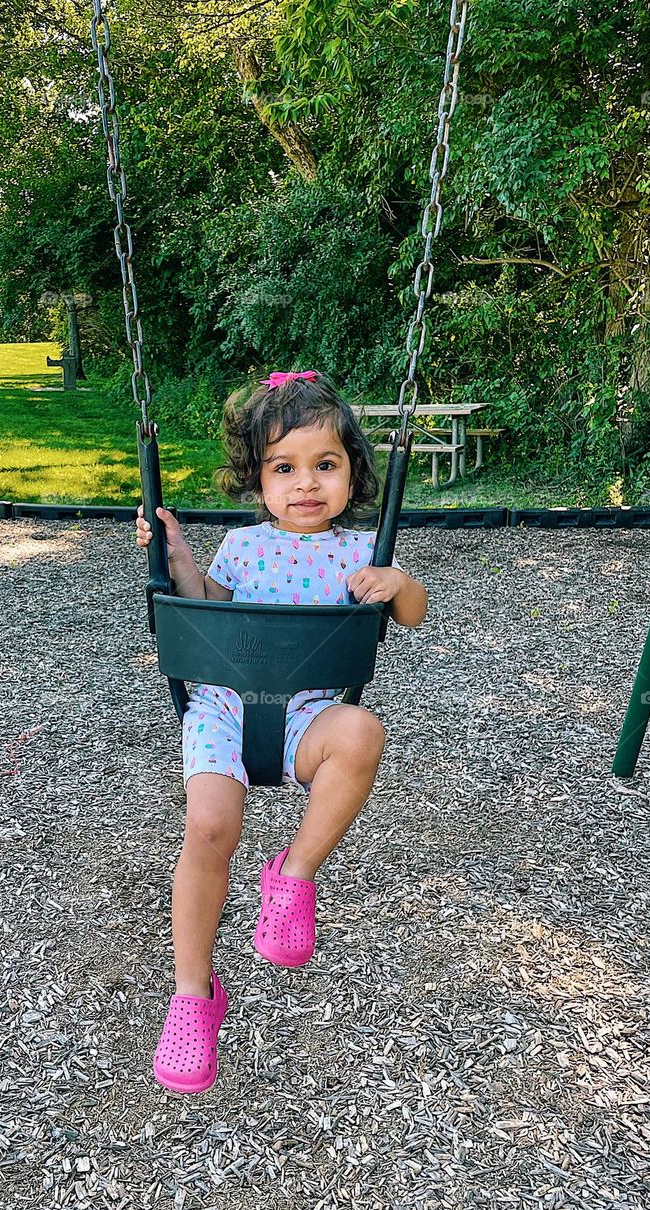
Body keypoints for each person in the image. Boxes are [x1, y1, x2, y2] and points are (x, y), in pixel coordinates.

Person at [135, 369, 428, 1093]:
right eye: (284, 468)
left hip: (307, 715)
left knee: (362, 732)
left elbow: (414, 613)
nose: (305, 484)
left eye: (324, 466)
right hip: (225, 706)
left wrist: (399, 585)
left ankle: (292, 874)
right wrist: (176, 556)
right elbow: (208, 607)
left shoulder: (362, 555)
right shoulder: (241, 548)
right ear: (257, 480)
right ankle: (193, 997)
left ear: (352, 473)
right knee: (207, 828)